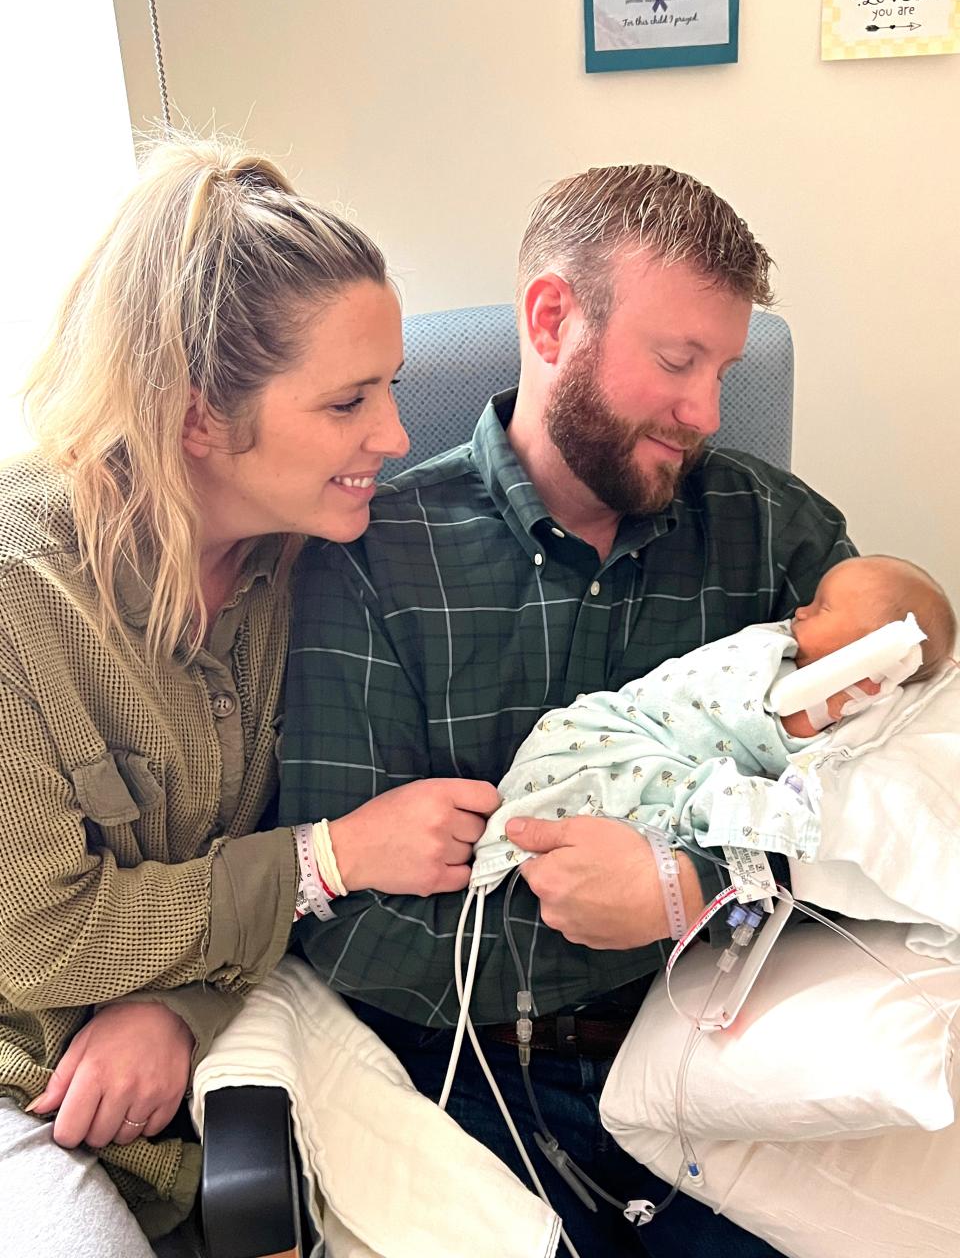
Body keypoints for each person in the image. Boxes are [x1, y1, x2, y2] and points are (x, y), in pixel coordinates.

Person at [282, 163, 857, 1256]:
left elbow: (883, 818)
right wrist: (641, 927)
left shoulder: (776, 535)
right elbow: (345, 925)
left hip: (724, 1058)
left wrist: (682, 892)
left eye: (724, 368)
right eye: (678, 361)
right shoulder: (373, 556)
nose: (707, 412)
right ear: (553, 318)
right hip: (471, 1076)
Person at [0, 133, 500, 1256]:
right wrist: (329, 858)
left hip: (217, 1025)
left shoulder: (313, 559)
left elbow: (294, 839)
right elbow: (40, 938)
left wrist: (181, 1006)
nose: (397, 435)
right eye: (347, 403)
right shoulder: (17, 598)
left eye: (394, 388)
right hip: (18, 1063)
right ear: (196, 418)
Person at [482, 553, 958, 877]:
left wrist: (846, 687)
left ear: (871, 655)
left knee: (702, 795)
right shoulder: (772, 658)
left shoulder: (833, 700)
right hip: (617, 726)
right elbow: (726, 700)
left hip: (655, 753)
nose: (801, 611)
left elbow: (793, 738)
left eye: (823, 607)